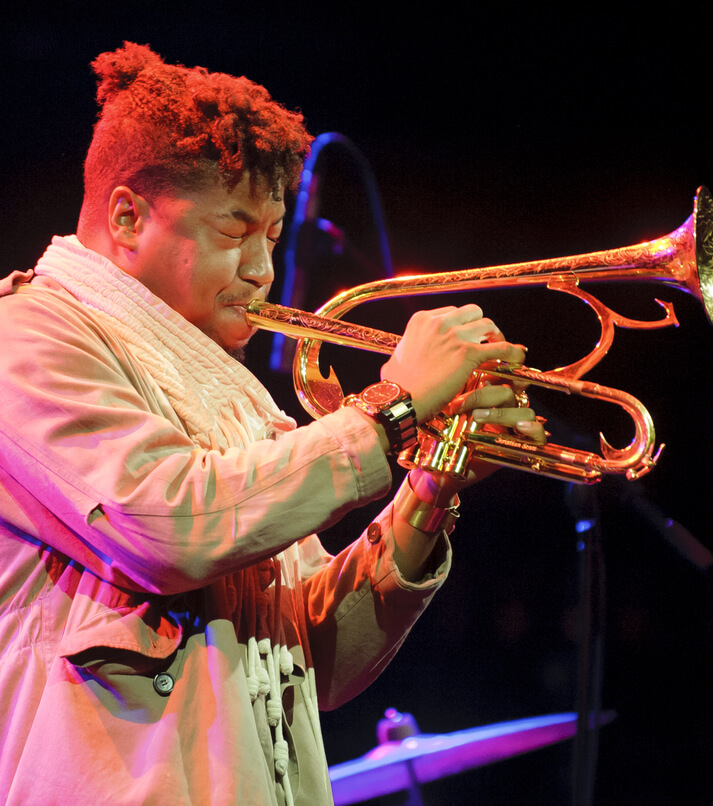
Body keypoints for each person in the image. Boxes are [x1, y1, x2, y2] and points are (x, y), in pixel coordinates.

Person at [0, 43, 542, 805]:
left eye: (274, 235)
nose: (263, 267)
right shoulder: (26, 335)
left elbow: (318, 660)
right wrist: (390, 409)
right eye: (234, 229)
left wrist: (428, 487)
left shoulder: (235, 394)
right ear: (127, 216)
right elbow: (171, 526)